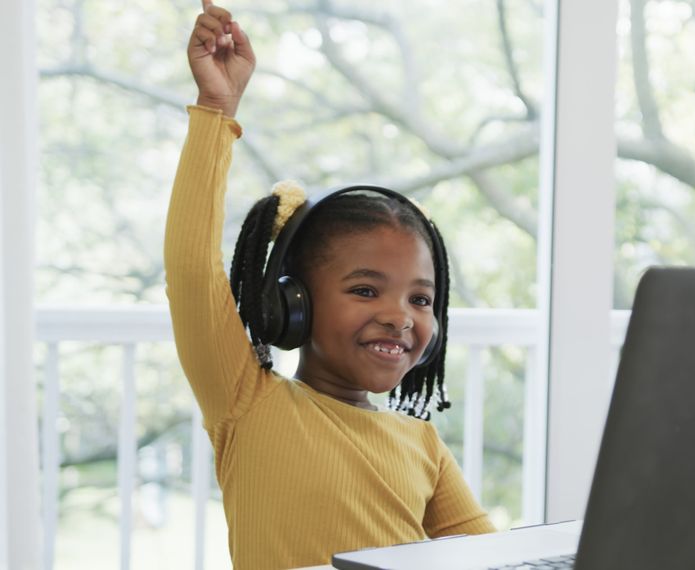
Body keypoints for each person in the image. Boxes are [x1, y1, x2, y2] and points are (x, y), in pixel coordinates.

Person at [164, 2, 495, 568]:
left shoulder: (423, 447)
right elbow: (192, 269)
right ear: (291, 304)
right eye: (366, 290)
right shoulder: (247, 403)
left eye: (420, 299)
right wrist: (217, 108)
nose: (401, 315)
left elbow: (491, 557)